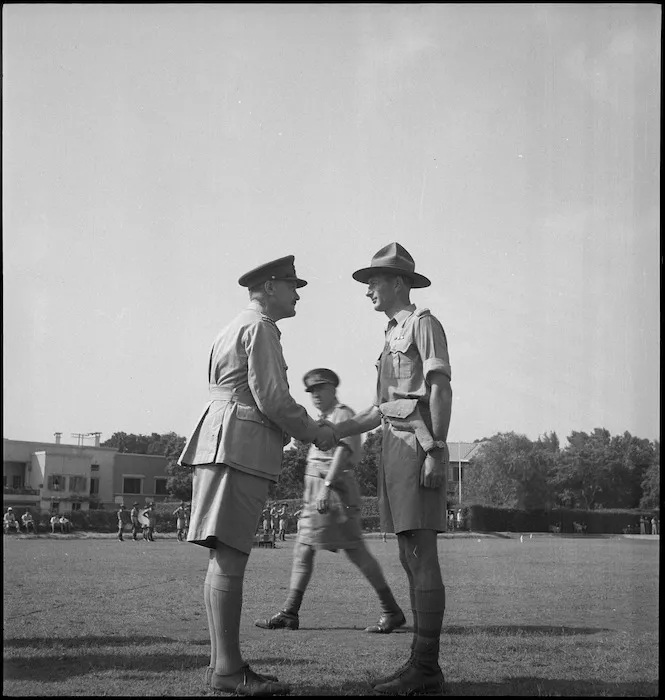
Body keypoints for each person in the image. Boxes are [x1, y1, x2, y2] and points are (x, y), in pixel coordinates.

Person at [177, 254, 337, 696]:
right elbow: (272, 398)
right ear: (270, 287)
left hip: (220, 443)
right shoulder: (261, 328)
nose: (297, 292)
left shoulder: (233, 326)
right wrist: (314, 432)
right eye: (291, 284)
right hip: (238, 447)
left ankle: (222, 667)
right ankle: (228, 671)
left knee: (222, 556)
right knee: (230, 557)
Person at [331, 243, 452, 696]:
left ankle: (425, 668)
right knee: (408, 554)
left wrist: (437, 449)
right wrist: (330, 431)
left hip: (418, 446)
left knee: (420, 555)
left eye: (373, 282)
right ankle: (421, 664)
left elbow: (439, 388)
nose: (368, 292)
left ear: (398, 282)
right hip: (394, 448)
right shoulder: (390, 334)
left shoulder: (423, 325)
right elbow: (384, 408)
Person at [256, 368, 405, 635]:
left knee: (355, 551)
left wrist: (325, 488)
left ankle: (391, 610)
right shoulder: (323, 418)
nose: (314, 395)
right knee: (304, 549)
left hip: (335, 493)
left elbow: (343, 452)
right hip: (319, 494)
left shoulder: (342, 414)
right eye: (311, 391)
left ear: (333, 389)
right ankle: (290, 612)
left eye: (319, 389)